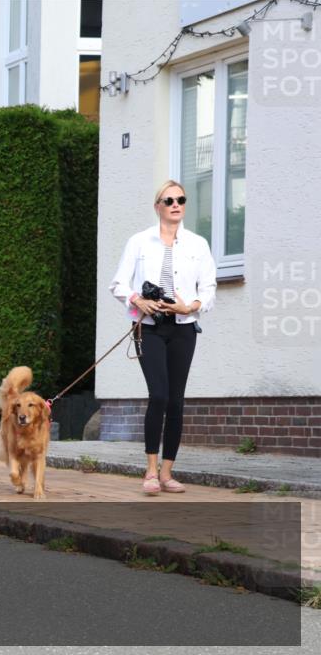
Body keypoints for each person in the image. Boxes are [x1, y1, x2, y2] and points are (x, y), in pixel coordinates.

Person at [109, 180, 216, 496]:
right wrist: (136, 299)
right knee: (158, 395)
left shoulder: (198, 244)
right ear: (158, 206)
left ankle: (168, 473)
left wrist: (190, 305)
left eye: (180, 199)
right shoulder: (139, 242)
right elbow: (117, 284)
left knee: (176, 400)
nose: (175, 204)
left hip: (183, 326)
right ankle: (151, 470)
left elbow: (208, 289)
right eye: (168, 200)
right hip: (149, 326)